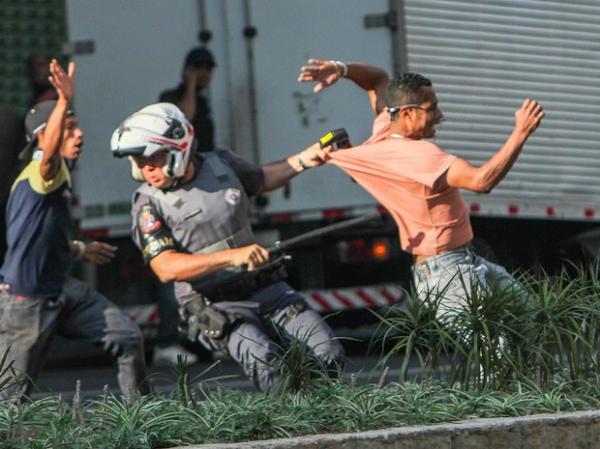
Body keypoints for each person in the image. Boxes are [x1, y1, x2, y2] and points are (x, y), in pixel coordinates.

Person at [111, 102, 344, 392]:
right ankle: (295, 426)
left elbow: (260, 179)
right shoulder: (148, 203)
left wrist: (305, 160)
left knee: (328, 351)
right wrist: (232, 256)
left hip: (265, 286)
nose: (147, 168)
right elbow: (165, 267)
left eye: (154, 157)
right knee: (267, 364)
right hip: (216, 304)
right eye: (138, 160)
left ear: (179, 148)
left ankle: (327, 416)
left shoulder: (220, 163)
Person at [297, 58, 544, 317]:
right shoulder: (419, 156)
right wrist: (521, 133)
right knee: (494, 349)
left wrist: (341, 69)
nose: (440, 116)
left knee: (530, 322)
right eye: (432, 109)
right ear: (407, 113)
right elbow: (482, 181)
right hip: (449, 274)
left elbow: (378, 78)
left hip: (466, 261)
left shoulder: (385, 128)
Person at [0, 60, 150, 402]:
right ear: (45, 137)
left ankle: (144, 421)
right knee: (9, 401)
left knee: (127, 338)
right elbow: (48, 154)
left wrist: (80, 250)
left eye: (77, 126)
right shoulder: (41, 171)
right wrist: (64, 101)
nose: (80, 134)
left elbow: (39, 238)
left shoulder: (55, 178)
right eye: (70, 128)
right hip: (26, 303)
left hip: (62, 291)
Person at [159, 46, 216, 153]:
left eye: (209, 68)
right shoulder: (170, 97)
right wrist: (191, 84)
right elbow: (184, 119)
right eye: (198, 67)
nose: (204, 73)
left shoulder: (202, 102)